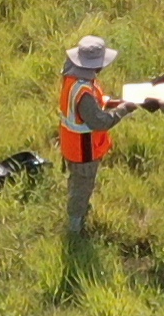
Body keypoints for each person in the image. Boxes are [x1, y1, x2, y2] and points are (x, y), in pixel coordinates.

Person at [51, 35, 122, 246]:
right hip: (84, 150)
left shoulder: (75, 79)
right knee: (82, 188)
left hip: (72, 146)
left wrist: (113, 102)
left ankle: (79, 215)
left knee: (77, 183)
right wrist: (123, 110)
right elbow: (100, 121)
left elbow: (95, 102)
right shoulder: (83, 91)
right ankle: (75, 227)